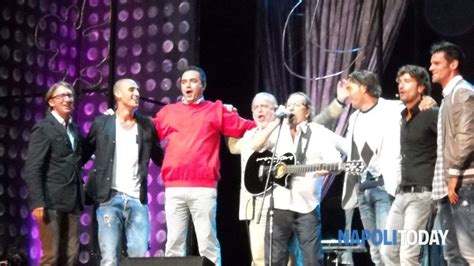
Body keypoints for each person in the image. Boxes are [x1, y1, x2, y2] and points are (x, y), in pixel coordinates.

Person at [227, 89, 347, 266]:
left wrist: (331, 168)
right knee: (273, 259)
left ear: (307, 111)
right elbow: (255, 144)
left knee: (311, 259)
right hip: (279, 205)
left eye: (296, 105)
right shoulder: (277, 131)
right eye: (289, 105)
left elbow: (335, 160)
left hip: (307, 206)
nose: (291, 108)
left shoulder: (317, 131)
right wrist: (276, 121)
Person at [153, 66, 255, 265]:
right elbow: (147, 130)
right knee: (174, 244)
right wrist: (121, 117)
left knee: (207, 242)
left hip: (203, 187)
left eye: (193, 81)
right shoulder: (169, 112)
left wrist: (273, 123)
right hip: (174, 187)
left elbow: (244, 126)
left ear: (203, 85)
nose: (187, 85)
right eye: (184, 82)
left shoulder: (215, 110)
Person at [83, 79, 162, 266]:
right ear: (118, 94)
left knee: (138, 260)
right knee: (109, 258)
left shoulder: (146, 125)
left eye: (138, 90)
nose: (137, 94)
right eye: (132, 89)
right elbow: (83, 154)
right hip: (109, 199)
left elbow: (160, 157)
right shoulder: (102, 123)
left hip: (137, 199)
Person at [340, 70, 403, 266]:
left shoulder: (392, 109)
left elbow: (415, 107)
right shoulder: (354, 118)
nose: (348, 93)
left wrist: (427, 100)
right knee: (376, 253)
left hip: (384, 189)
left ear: (364, 87)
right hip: (363, 190)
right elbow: (354, 153)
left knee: (388, 250)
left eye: (350, 88)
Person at [380, 65, 438, 266]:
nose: (401, 85)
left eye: (407, 80)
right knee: (387, 251)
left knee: (408, 255)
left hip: (422, 194)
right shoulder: (403, 116)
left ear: (421, 88)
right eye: (399, 81)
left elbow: (449, 141)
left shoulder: (431, 113)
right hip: (401, 193)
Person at [23, 81, 84, 265]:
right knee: (52, 255)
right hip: (51, 201)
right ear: (51, 102)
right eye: (62, 96)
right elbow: (33, 167)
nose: (67, 99)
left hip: (72, 200)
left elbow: (79, 157)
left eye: (70, 95)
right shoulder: (43, 128)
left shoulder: (74, 129)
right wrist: (38, 202)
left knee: (71, 256)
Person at [430, 41, 474, 264]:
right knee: (453, 254)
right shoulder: (449, 96)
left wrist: (454, 175)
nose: (431, 68)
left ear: (453, 64)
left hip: (463, 183)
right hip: (448, 185)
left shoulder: (464, 93)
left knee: (469, 251)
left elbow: (467, 138)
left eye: (437, 63)